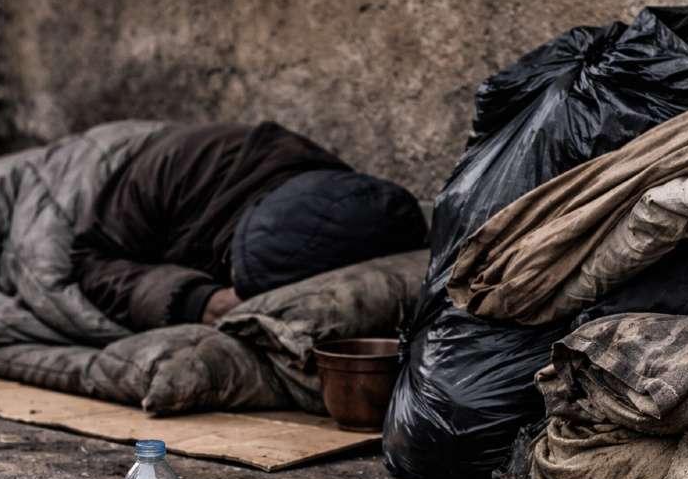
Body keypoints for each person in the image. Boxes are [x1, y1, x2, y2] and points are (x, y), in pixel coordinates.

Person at [71, 121, 427, 331]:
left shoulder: (346, 207)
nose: (232, 280)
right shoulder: (180, 169)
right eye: (234, 271)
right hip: (86, 172)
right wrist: (199, 301)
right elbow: (90, 257)